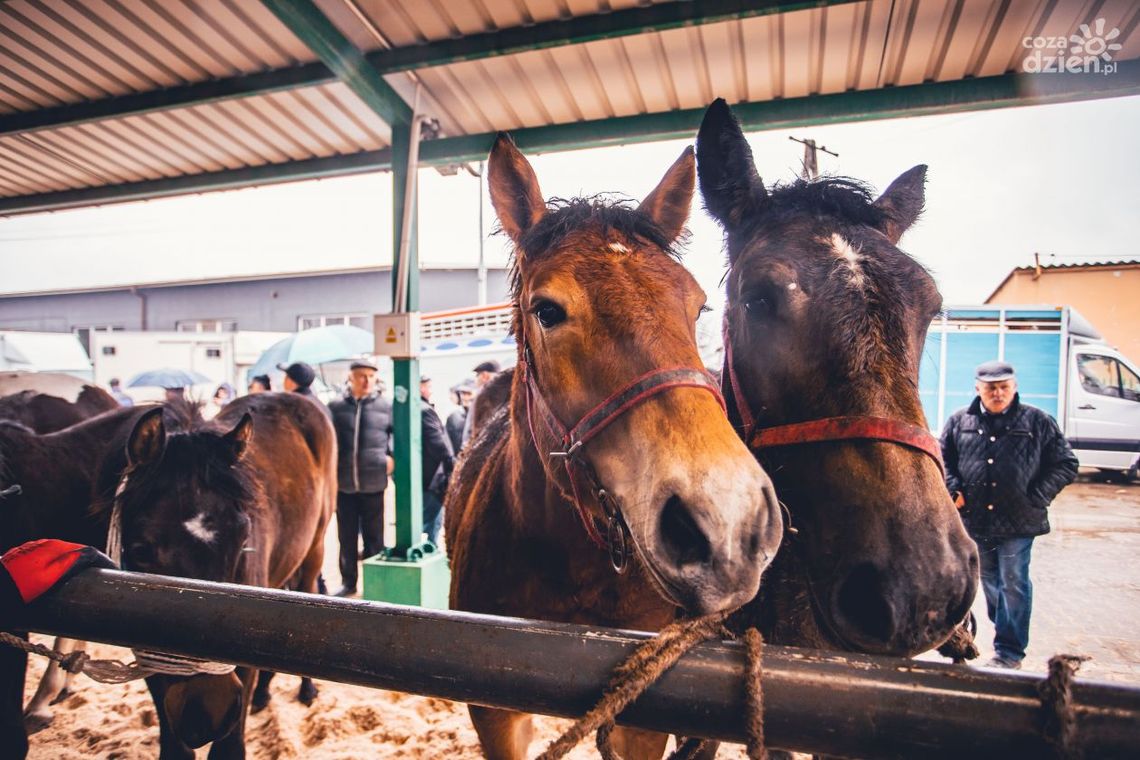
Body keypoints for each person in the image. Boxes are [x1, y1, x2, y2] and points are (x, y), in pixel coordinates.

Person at [941, 360, 1079, 669]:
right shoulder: (958, 421)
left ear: (1014, 387)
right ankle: (1006, 634)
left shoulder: (1038, 422)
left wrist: (1038, 496)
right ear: (978, 389)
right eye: (991, 388)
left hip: (1019, 522)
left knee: (1014, 582)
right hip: (976, 521)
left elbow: (1067, 463)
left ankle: (1009, 652)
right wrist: (953, 488)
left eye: (1004, 387)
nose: (998, 393)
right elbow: (943, 458)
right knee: (990, 583)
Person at [327, 361, 393, 597]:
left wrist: (391, 457)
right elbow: (329, 442)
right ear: (350, 378)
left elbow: (396, 437)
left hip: (373, 483)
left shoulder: (386, 407)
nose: (367, 381)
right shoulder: (335, 407)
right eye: (361, 376)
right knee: (345, 538)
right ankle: (348, 583)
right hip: (344, 484)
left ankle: (376, 584)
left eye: (371, 376)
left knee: (375, 538)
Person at [419, 376, 455, 547]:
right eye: (428, 386)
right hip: (432, 476)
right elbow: (437, 442)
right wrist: (452, 463)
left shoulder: (410, 408)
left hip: (419, 476)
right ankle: (431, 550)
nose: (430, 390)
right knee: (432, 520)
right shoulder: (425, 410)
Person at [461, 359, 501, 444]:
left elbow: (470, 430)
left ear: (484, 376)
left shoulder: (482, 396)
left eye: (477, 375)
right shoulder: (504, 394)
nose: (476, 379)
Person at [446, 378, 476, 453]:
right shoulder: (453, 417)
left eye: (468, 394)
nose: (465, 397)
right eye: (463, 393)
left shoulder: (481, 417)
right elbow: (448, 444)